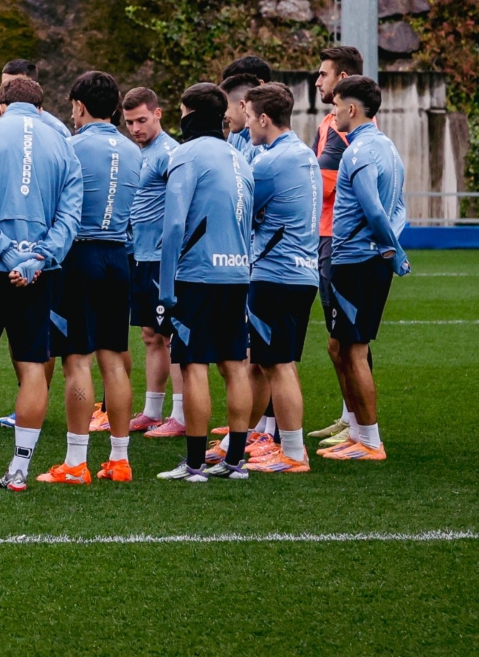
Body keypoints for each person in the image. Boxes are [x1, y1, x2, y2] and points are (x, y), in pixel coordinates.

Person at [0, 76, 80, 490]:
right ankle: (20, 470)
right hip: (42, 273)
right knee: (32, 367)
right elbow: (70, 216)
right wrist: (37, 258)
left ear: (1, 105)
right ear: (40, 108)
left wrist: (8, 255)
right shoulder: (63, 143)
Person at [154, 82, 255, 483]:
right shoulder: (239, 158)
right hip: (237, 273)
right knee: (234, 366)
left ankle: (195, 465)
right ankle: (235, 462)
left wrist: (164, 287)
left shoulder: (186, 153)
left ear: (190, 113)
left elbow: (175, 220)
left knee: (193, 365)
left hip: (197, 274)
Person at [53, 71, 141, 484]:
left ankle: (75, 463)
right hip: (118, 258)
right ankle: (119, 459)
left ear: (80, 106)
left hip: (81, 253)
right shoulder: (134, 150)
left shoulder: (70, 147)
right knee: (114, 361)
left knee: (76, 359)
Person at [321, 74, 408, 462]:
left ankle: (370, 441)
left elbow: (374, 208)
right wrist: (390, 246)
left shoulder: (356, 153)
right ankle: (357, 432)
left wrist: (392, 247)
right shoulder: (388, 147)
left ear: (351, 109)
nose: (333, 112)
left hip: (355, 261)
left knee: (353, 351)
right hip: (367, 260)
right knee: (340, 346)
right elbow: (399, 208)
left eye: (336, 106)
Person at [240, 82, 321, 473]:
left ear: (264, 119)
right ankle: (241, 440)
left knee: (279, 364)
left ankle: (292, 452)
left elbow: (243, 211)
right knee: (261, 362)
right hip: (302, 273)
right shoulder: (302, 153)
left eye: (250, 117)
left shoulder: (268, 162)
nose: (246, 125)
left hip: (275, 274)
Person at [310, 44, 365, 444]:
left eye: (323, 74)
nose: (317, 81)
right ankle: (350, 417)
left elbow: (325, 184)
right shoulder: (328, 123)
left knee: (348, 342)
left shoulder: (347, 130)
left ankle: (361, 427)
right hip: (325, 237)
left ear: (342, 79)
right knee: (337, 343)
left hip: (338, 240)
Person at [122, 87, 180, 437]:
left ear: (158, 113)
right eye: (129, 122)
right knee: (149, 334)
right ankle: (152, 411)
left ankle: (182, 415)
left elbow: (180, 205)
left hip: (162, 257)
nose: (135, 128)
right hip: (139, 254)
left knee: (171, 335)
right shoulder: (135, 153)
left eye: (142, 120)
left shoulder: (169, 153)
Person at [220, 73, 262, 161]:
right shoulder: (237, 135)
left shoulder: (259, 145)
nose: (223, 115)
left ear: (242, 105)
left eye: (226, 108)